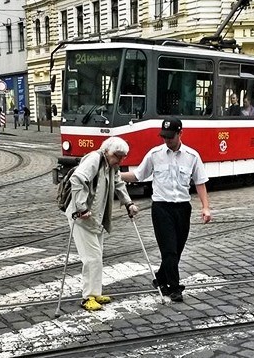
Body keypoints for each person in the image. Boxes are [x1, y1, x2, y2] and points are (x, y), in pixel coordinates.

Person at [120, 118, 212, 302]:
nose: (167, 140)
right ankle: (174, 287)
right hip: (161, 208)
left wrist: (205, 207)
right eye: (164, 137)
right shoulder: (155, 154)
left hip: (183, 208)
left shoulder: (192, 156)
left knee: (177, 249)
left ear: (180, 134)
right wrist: (114, 173)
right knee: (168, 249)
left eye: (170, 137)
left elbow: (200, 182)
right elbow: (138, 175)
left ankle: (161, 277)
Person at [66, 136, 139, 311]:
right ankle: (88, 297)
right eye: (117, 156)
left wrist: (128, 203)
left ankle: (95, 293)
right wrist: (81, 207)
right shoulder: (94, 159)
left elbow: (118, 183)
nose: (120, 160)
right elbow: (77, 179)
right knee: (91, 257)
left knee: (97, 256)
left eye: (123, 157)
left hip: (95, 218)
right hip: (82, 217)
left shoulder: (111, 164)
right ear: (107, 151)